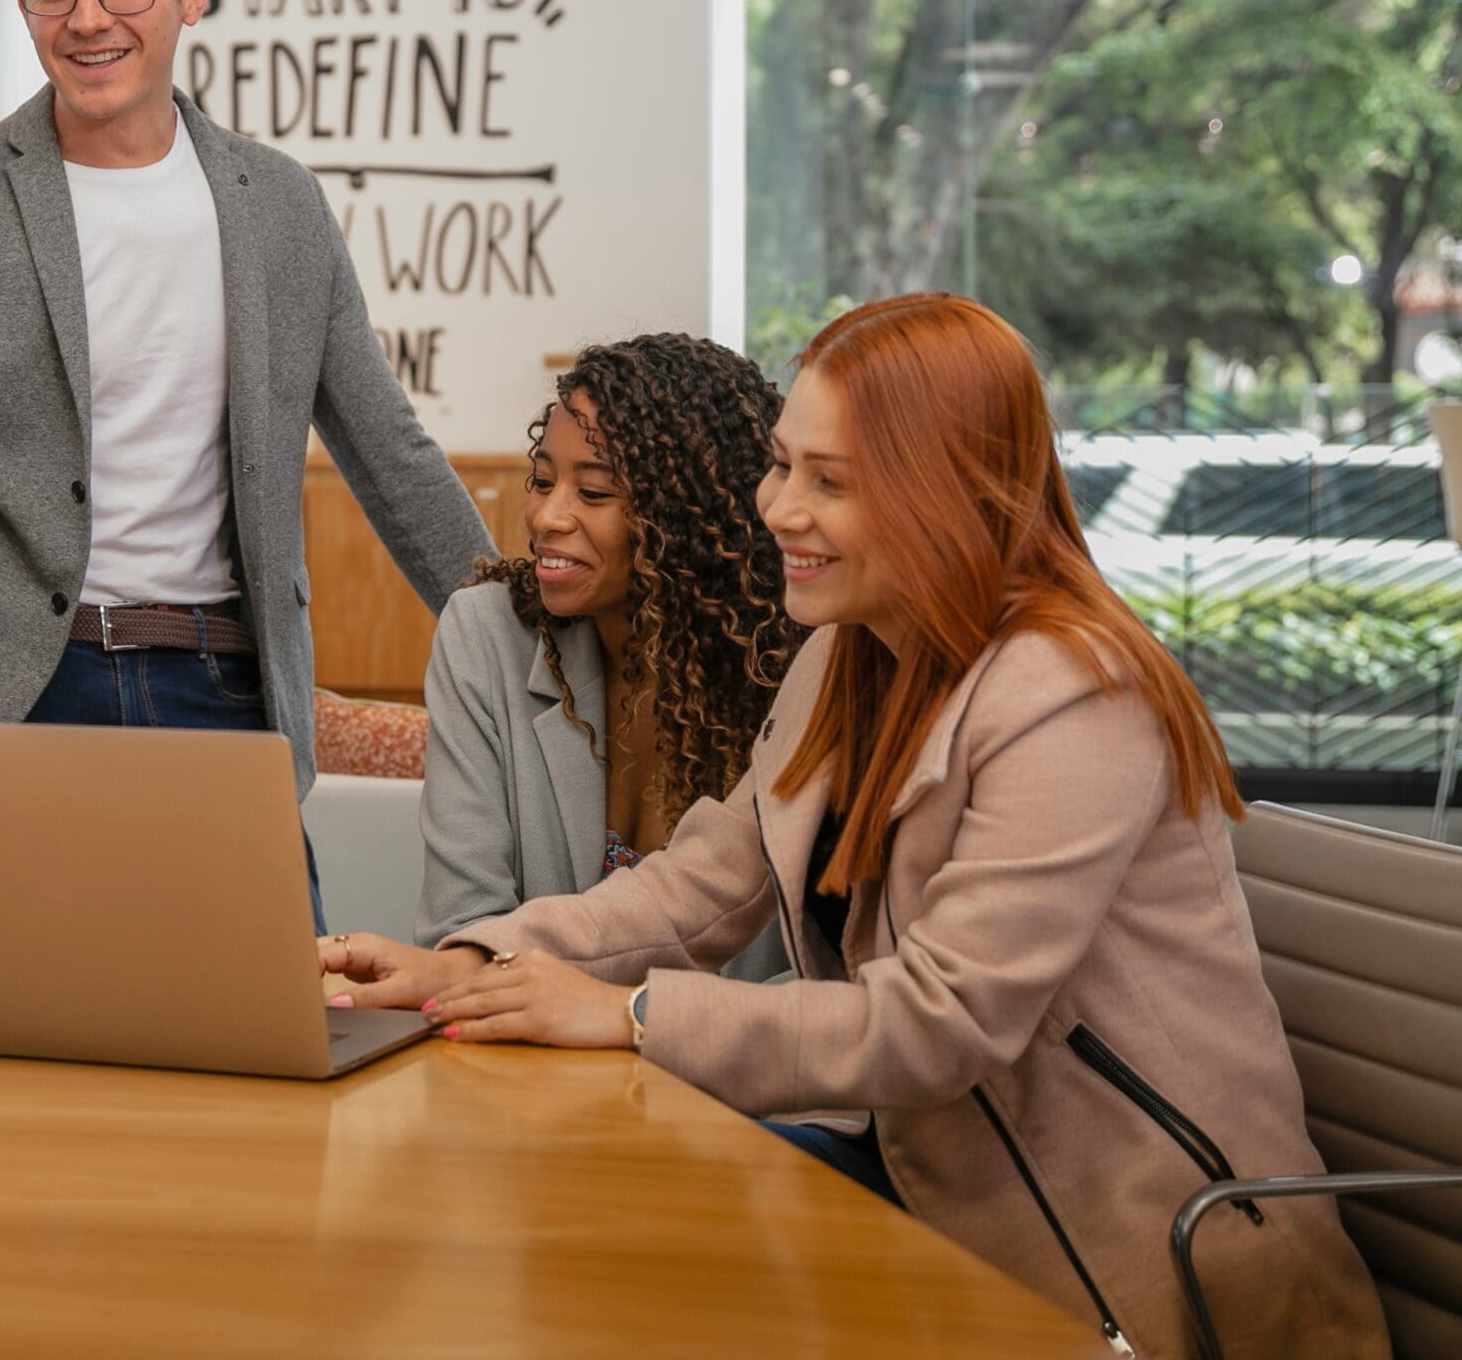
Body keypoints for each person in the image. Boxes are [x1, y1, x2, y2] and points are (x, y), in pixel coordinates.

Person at [322, 293, 1388, 1358]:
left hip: (1127, 1272)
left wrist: (635, 1014)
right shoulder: (857, 648)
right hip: (935, 1188)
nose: (776, 507)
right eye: (782, 466)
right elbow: (706, 883)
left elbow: (939, 1022)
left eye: (828, 481)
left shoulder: (1070, 691)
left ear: (945, 492)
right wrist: (466, 961)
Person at [0, 0, 491, 926]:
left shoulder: (277, 205)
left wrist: (524, 640)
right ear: (24, 3)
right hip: (5, 694)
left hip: (219, 688)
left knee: (267, 1035)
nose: (89, 17)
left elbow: (389, 451)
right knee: (8, 1046)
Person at [417, 336, 802, 943]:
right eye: (543, 482)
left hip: (724, 1037)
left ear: (687, 518)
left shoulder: (792, 670)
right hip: (520, 1031)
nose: (547, 517)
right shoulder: (487, 636)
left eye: (594, 493)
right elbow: (463, 926)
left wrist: (635, 1016)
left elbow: (821, 977)